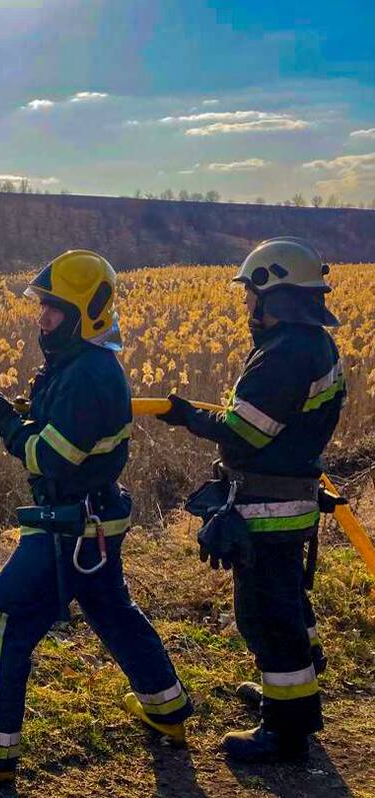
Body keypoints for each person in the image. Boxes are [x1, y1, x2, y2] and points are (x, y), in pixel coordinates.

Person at [0, 250, 193, 782]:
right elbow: (60, 423)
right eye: (41, 306)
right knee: (112, 609)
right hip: (94, 521)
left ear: (86, 312)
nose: (41, 317)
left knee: (0, 618)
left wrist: (5, 426)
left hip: (71, 524)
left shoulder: (88, 374)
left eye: (53, 308)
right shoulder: (83, 365)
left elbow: (51, 455)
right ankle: (168, 709)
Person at [157, 237, 344, 762]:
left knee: (265, 615)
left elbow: (242, 434)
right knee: (288, 606)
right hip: (291, 501)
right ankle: (295, 689)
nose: (246, 308)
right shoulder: (313, 345)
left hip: (268, 509)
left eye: (251, 297)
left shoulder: (285, 355)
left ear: (274, 294)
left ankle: (286, 731)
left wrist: (186, 414)